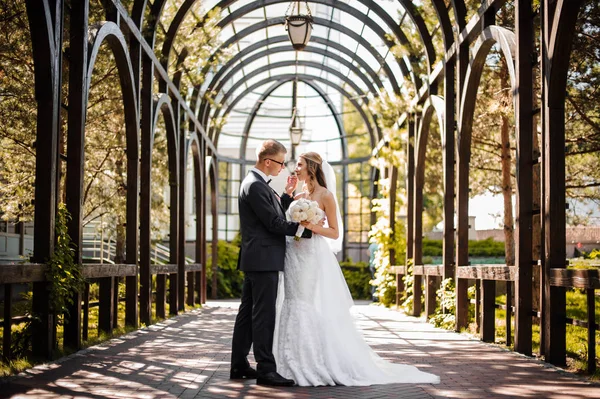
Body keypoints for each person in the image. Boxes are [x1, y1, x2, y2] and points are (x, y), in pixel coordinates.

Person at [273, 152, 440, 387]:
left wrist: (311, 225)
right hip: (293, 256)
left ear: (310, 168)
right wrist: (288, 196)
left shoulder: (326, 196)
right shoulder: (299, 195)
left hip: (309, 257)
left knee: (303, 303)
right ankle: (286, 361)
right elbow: (287, 223)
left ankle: (308, 361)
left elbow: (334, 232)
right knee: (290, 302)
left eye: (299, 165)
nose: (295, 168)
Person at [230, 139, 308, 387]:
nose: (283, 167)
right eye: (280, 162)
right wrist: (304, 230)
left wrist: (286, 196)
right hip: (263, 260)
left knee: (247, 314)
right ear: (267, 161)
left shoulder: (257, 185)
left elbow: (271, 215)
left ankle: (239, 364)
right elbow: (273, 224)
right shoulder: (255, 186)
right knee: (264, 315)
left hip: (257, 258)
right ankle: (266, 369)